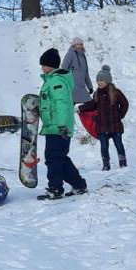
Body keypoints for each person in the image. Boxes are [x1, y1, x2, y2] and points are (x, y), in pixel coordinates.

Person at [37, 48, 88, 200]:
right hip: (53, 127)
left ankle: (55, 189)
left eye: (43, 65)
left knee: (54, 158)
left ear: (50, 66)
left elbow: (63, 104)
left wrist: (62, 125)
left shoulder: (56, 82)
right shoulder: (52, 81)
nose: (41, 67)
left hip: (58, 127)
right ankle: (78, 185)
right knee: (59, 157)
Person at [80, 65, 129, 170]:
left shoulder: (115, 93)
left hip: (114, 125)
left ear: (107, 80)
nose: (99, 82)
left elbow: (125, 104)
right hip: (102, 126)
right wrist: (81, 108)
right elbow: (92, 105)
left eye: (101, 80)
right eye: (97, 80)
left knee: (119, 144)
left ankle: (123, 162)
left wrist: (120, 116)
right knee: (104, 147)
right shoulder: (97, 94)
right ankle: (106, 165)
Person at [61, 37, 93, 104]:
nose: (79, 46)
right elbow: (63, 69)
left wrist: (90, 87)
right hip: (72, 87)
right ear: (73, 45)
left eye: (81, 44)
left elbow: (86, 73)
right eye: (77, 44)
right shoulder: (70, 54)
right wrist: (64, 85)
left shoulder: (83, 56)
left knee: (89, 104)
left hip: (81, 87)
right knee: (70, 107)